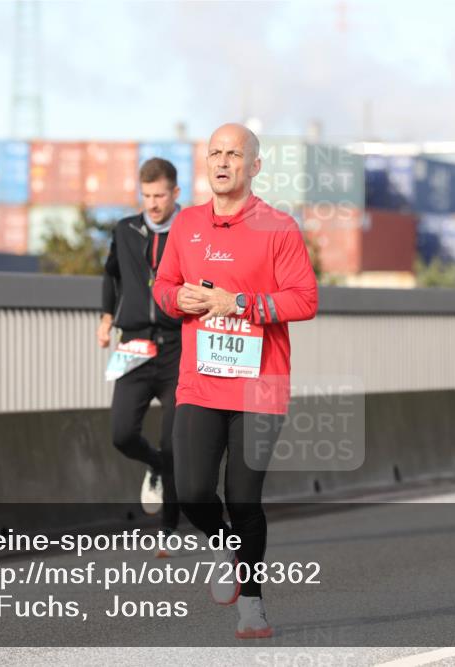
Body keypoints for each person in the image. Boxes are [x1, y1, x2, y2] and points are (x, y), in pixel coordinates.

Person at [152, 124, 318, 638]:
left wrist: (238, 303)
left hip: (260, 385)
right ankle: (223, 544)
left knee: (243, 498)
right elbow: (163, 285)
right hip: (200, 382)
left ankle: (252, 603)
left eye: (234, 154)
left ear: (255, 166)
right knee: (192, 491)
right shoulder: (187, 224)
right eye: (215, 153)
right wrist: (177, 299)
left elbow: (304, 300)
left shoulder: (278, 227)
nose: (223, 162)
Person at [98, 157, 183, 555]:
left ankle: (168, 529)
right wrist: (105, 319)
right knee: (122, 434)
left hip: (178, 347)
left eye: (160, 195)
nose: (152, 203)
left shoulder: (190, 231)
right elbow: (111, 274)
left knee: (174, 441)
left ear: (175, 193)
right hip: (133, 345)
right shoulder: (125, 230)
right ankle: (155, 466)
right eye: (146, 195)